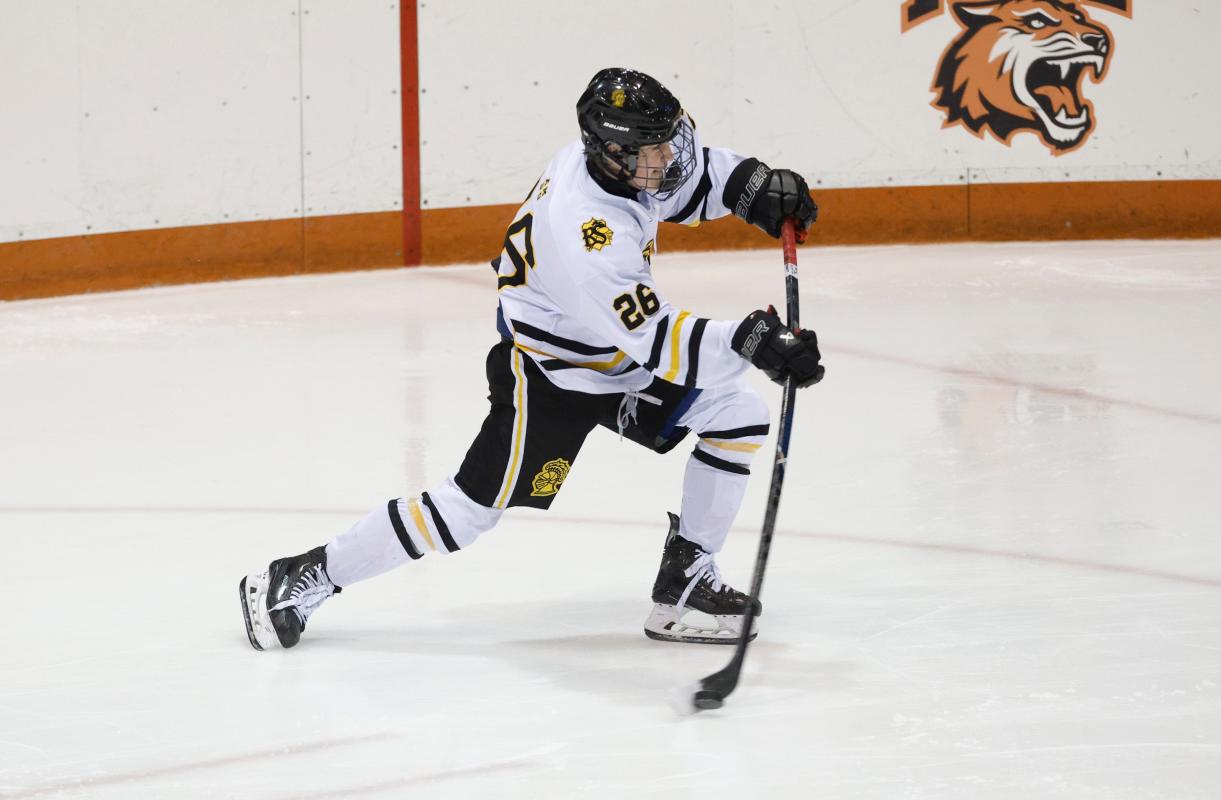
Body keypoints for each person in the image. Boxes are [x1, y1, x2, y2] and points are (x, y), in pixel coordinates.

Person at [239, 67, 823, 651]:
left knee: (736, 416)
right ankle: (303, 575)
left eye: (671, 138)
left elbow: (691, 181)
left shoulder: (607, 164)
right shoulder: (588, 234)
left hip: (610, 358)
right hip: (550, 374)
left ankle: (686, 583)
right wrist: (753, 341)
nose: (671, 155)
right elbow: (662, 342)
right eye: (655, 147)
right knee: (468, 512)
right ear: (615, 154)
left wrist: (754, 186)